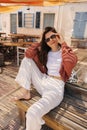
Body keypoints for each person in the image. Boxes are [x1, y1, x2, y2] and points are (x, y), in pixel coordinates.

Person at [14, 27, 78, 130]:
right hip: (43, 80)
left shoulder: (65, 51)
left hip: (55, 88)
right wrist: (39, 42)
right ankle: (26, 91)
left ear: (58, 36)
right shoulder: (46, 53)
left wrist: (64, 43)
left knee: (32, 113)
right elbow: (28, 54)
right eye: (47, 39)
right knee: (27, 60)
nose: (51, 40)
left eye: (53, 36)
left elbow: (70, 62)